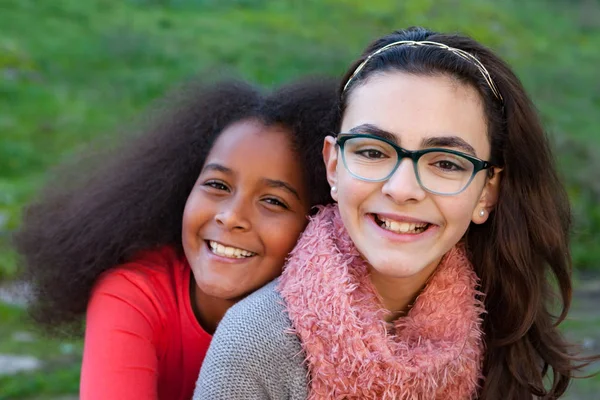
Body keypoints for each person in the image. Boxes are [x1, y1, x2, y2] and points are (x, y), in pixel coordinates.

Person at [194, 27, 598, 399]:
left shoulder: (501, 325)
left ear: (486, 192)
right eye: (372, 152)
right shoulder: (256, 343)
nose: (402, 189)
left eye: (445, 163)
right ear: (334, 166)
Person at [14, 77, 338, 400]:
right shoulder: (135, 295)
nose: (231, 216)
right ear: (184, 188)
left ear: (318, 220)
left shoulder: (331, 323)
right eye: (217, 185)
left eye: (273, 201)